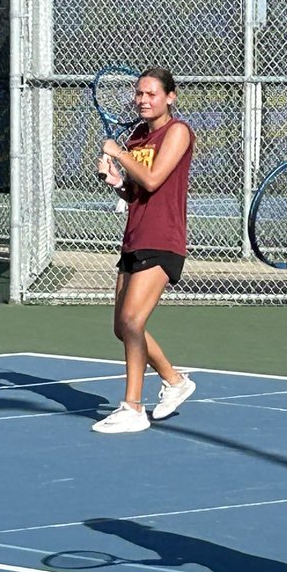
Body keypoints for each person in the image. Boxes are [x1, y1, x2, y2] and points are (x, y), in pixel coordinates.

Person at [91, 67, 196, 434]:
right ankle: (175, 380)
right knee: (122, 326)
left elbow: (153, 179)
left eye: (152, 94)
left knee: (134, 321)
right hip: (134, 237)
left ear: (170, 97)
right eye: (139, 94)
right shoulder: (137, 136)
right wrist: (117, 181)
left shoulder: (178, 131)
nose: (143, 100)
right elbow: (138, 192)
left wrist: (118, 153)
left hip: (163, 239)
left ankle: (133, 407)